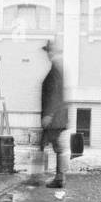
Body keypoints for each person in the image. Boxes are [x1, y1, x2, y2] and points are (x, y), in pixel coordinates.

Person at [39, 39, 69, 188]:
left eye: (49, 51)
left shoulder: (56, 69)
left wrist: (48, 114)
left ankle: (58, 178)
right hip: (56, 116)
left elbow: (54, 94)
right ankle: (42, 175)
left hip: (54, 117)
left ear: (54, 52)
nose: (48, 54)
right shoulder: (57, 67)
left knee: (56, 146)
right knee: (43, 144)